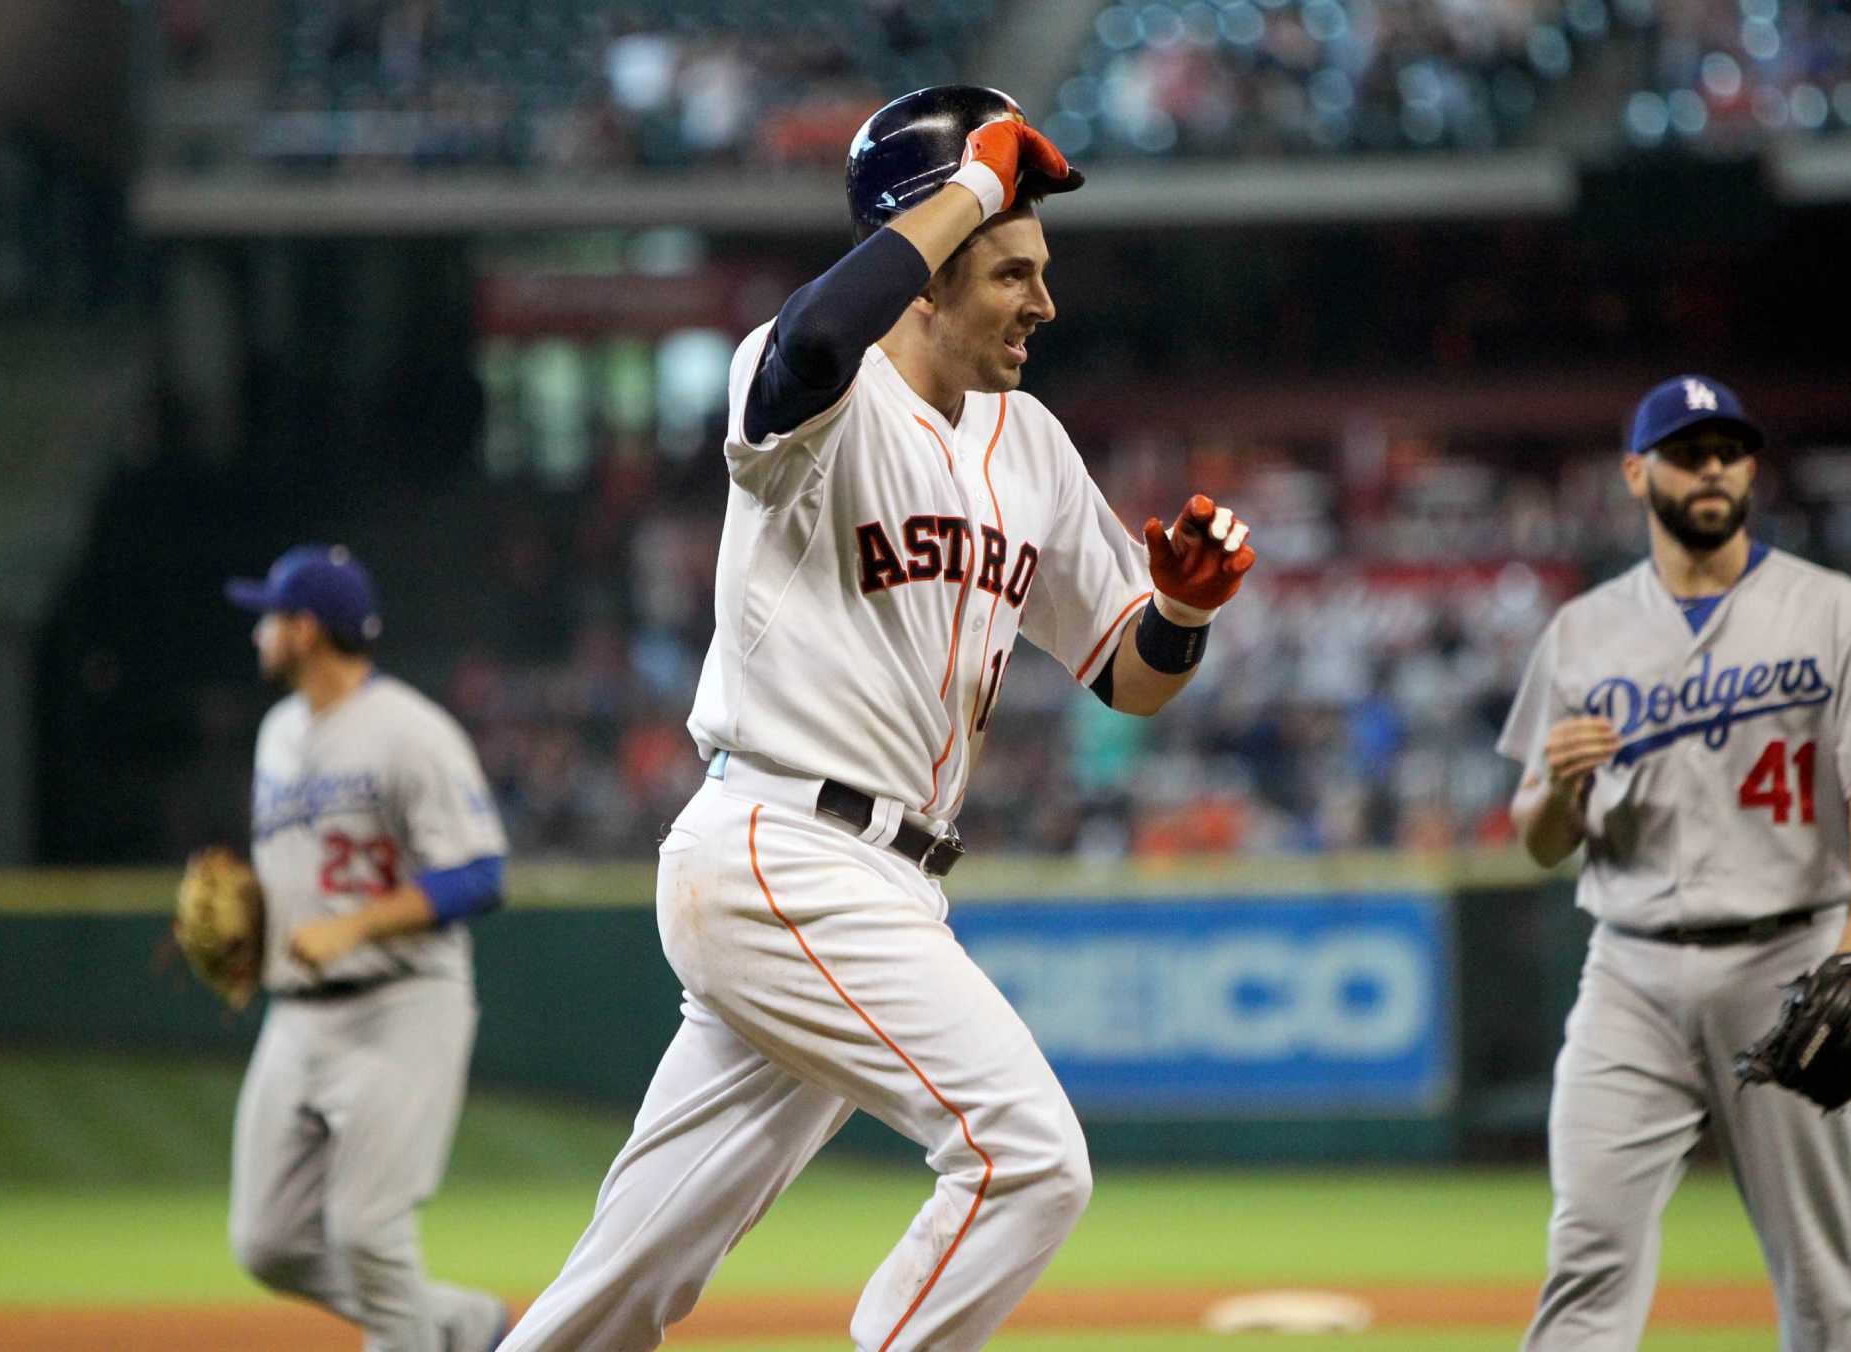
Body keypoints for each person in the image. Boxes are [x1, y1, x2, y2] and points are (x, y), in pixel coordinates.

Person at [499, 86, 1257, 1352]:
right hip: (780, 842)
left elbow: (1125, 672)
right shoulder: (810, 380)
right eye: (1011, 268)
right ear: (925, 265)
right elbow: (809, 344)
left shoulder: (1030, 442)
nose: (1042, 301)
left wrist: (1178, 610)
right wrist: (965, 184)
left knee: (627, 1280)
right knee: (1028, 1156)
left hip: (882, 878)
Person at [1497, 375, 1851, 1350]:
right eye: (1685, 450)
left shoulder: (1828, 609)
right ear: (1635, 471)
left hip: (1786, 958)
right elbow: (1536, 838)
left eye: (1728, 449)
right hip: (1626, 968)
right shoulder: (1581, 632)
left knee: (1820, 1283)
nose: (1710, 467)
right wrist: (1554, 789)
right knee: (1586, 1254)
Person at [223, 543, 513, 1352]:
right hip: (298, 1017)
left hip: (402, 1003)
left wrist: (352, 926)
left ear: (306, 630)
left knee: (366, 1231)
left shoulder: (410, 732)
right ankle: (462, 1325)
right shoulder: (277, 733)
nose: (259, 635)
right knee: (268, 1241)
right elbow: (298, 872)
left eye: (269, 619)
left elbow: (482, 873)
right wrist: (256, 935)